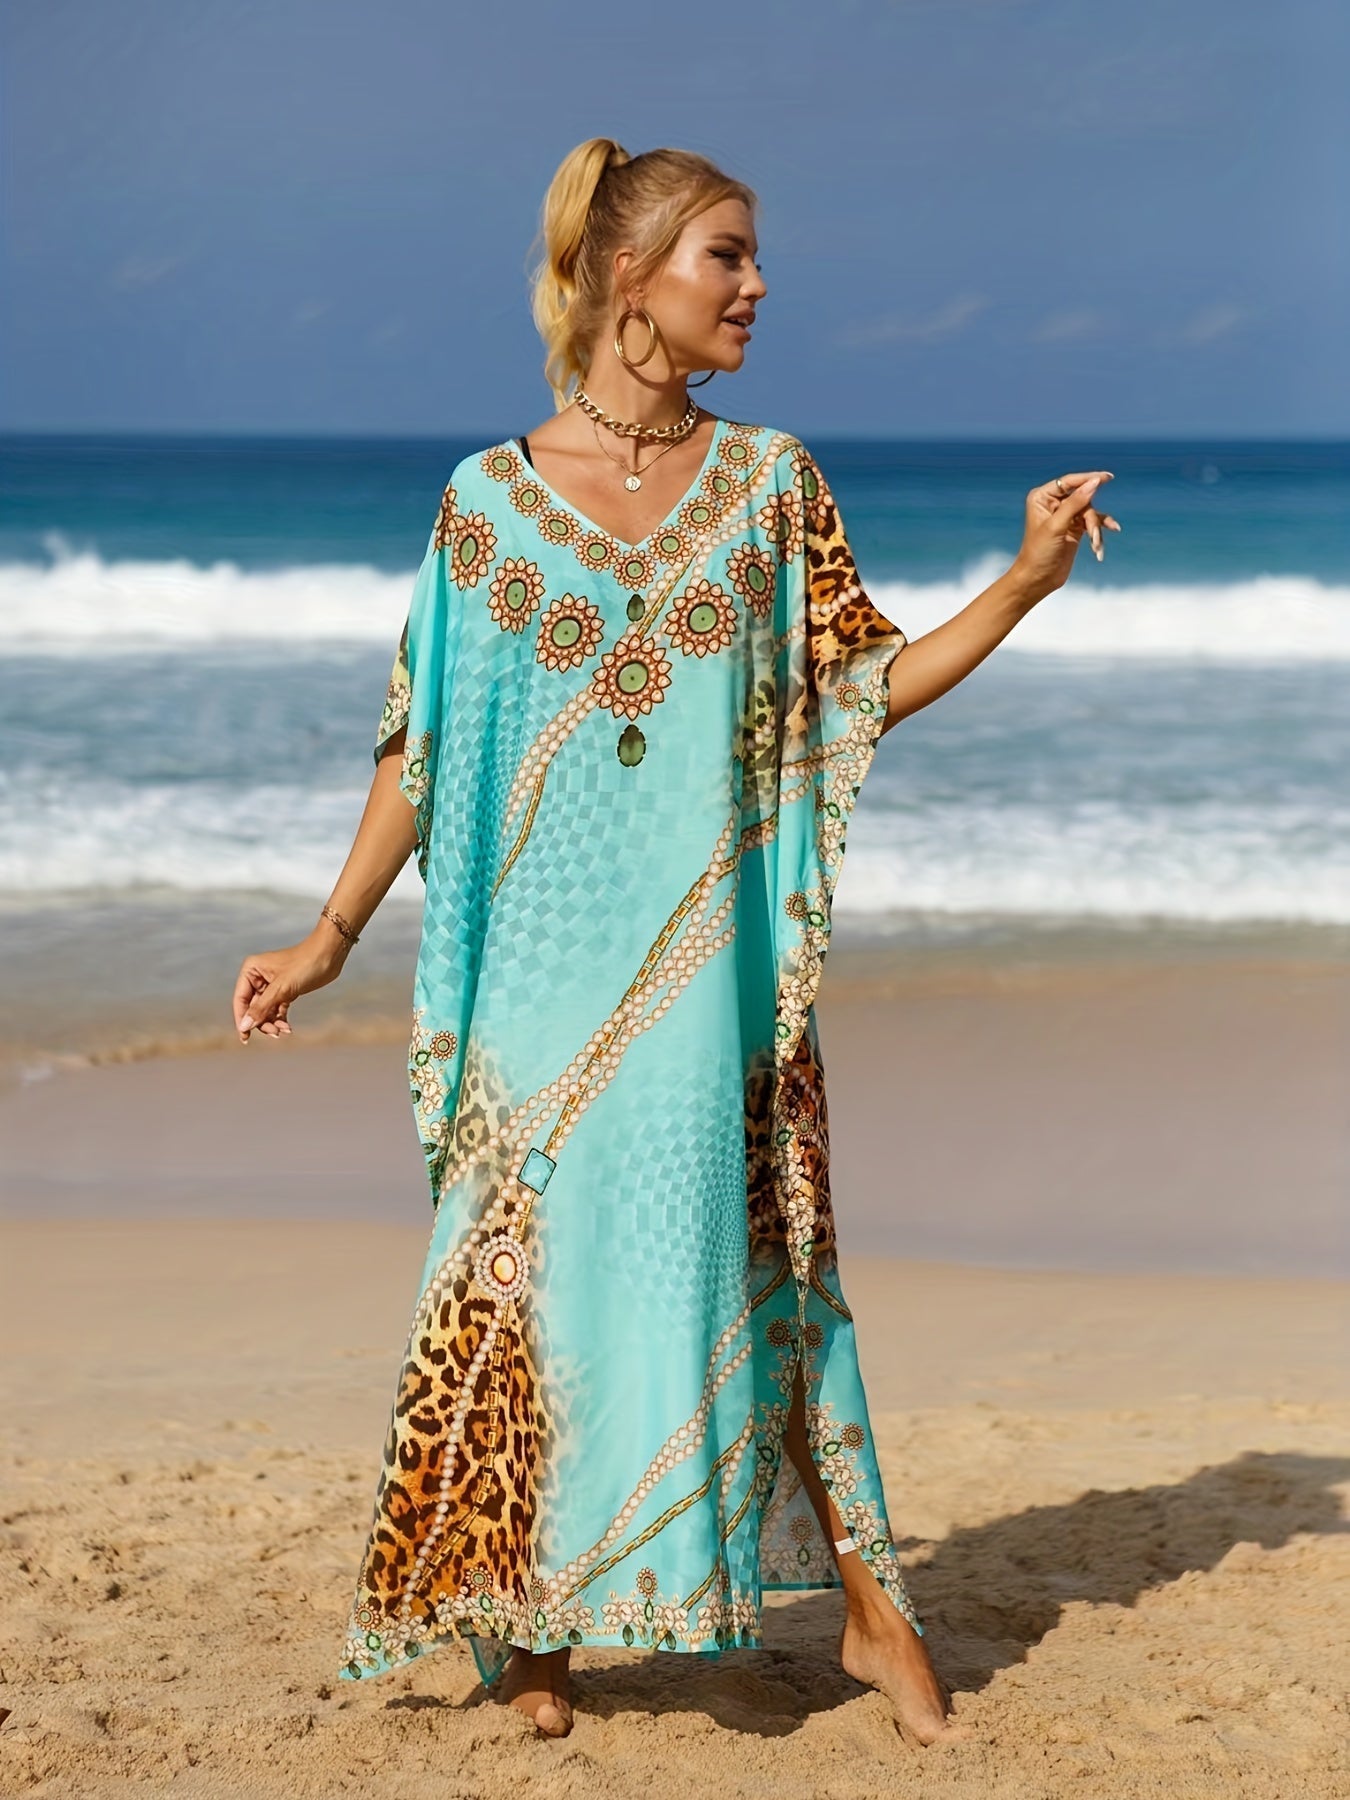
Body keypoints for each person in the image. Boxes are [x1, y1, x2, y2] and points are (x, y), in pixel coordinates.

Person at [231, 138, 1120, 1749]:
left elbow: (858, 691)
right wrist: (329, 932)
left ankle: (873, 1618)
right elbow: (422, 742)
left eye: (753, 257)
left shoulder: (770, 486)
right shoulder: (484, 505)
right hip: (534, 978)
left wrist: (1022, 585)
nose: (758, 285)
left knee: (769, 1270)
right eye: (728, 255)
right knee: (518, 1288)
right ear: (627, 278)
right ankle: (532, 1633)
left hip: (708, 983)